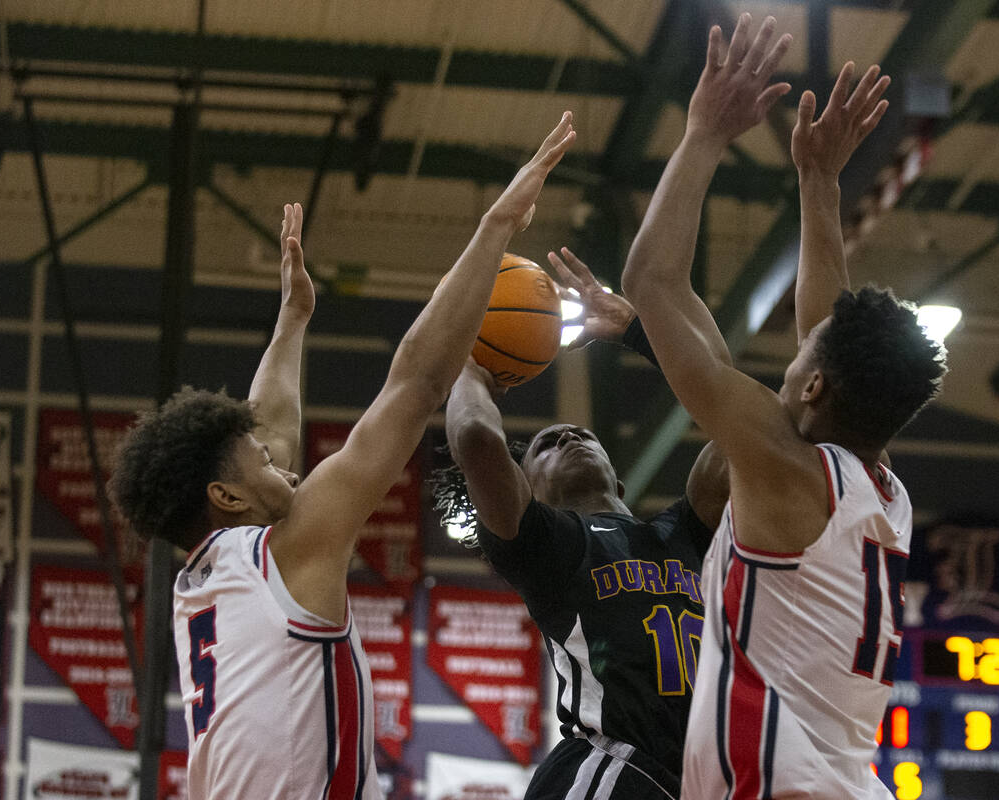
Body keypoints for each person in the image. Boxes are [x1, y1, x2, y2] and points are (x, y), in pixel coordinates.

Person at [110, 113, 576, 800]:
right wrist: (496, 227)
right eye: (264, 466)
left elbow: (264, 427)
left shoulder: (201, 584)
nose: (287, 466)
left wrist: (293, 321)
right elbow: (416, 386)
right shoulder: (287, 553)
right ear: (228, 498)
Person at [619, 14, 946, 800]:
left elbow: (652, 285)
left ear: (814, 388)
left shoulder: (782, 466)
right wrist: (818, 184)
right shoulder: (880, 489)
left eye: (802, 358)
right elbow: (827, 325)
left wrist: (702, 134)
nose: (794, 352)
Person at [439, 245, 728, 800]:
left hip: (695, 782)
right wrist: (468, 366)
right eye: (546, 446)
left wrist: (639, 330)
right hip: (613, 768)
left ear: (619, 481)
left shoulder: (686, 531)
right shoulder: (550, 545)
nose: (568, 436)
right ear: (532, 491)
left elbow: (737, 416)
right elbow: (477, 438)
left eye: (581, 435)